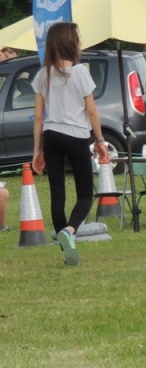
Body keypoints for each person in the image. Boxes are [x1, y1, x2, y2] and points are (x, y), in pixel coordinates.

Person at [30, 22, 109, 266]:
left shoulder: (43, 74)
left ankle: (67, 251)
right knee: (85, 193)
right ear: (69, 43)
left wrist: (37, 150)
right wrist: (100, 140)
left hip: (52, 136)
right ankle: (71, 230)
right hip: (76, 135)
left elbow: (39, 117)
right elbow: (92, 111)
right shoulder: (80, 72)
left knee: (57, 195)